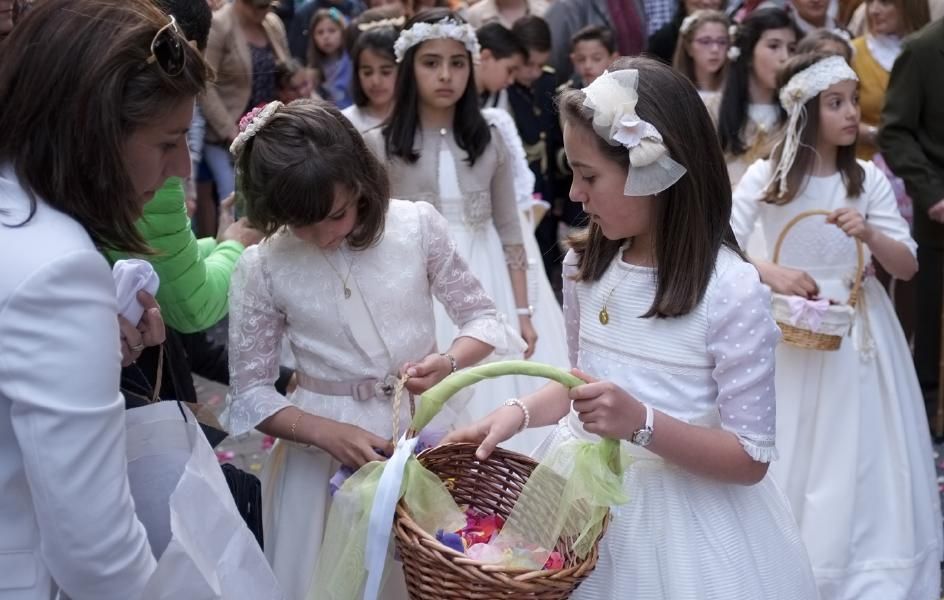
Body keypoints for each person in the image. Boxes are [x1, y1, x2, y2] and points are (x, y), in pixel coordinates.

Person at [445, 56, 819, 599]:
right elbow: (582, 386)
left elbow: (749, 458)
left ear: (655, 172)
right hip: (577, 505)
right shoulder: (584, 269)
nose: (574, 193)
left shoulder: (730, 289)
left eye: (589, 175)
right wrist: (516, 413)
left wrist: (641, 423)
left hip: (687, 524)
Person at [223, 99, 517, 599]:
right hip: (320, 465)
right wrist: (325, 433)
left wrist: (446, 362)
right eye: (302, 223)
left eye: (336, 214)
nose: (325, 235)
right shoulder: (264, 267)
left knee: (428, 574)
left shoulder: (415, 227)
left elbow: (484, 319)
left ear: (360, 179)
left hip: (426, 438)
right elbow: (250, 392)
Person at [0, 0, 209, 596]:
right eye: (168, 141)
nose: (181, 167)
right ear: (91, 131)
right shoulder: (58, 268)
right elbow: (95, 550)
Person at [732, 52, 942, 598]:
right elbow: (721, 243)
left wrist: (869, 236)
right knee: (793, 444)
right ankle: (782, 558)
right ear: (805, 110)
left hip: (857, 335)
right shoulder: (767, 175)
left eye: (853, 100)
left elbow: (908, 264)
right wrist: (772, 271)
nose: (853, 113)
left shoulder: (866, 179)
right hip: (788, 335)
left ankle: (864, 568)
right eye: (836, 103)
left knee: (862, 451)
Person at [364, 9, 553, 453]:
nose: (445, 75)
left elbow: (510, 228)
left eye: (457, 62)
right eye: (431, 63)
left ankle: (492, 478)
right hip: (412, 279)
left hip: (485, 275)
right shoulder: (379, 142)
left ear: (472, 66)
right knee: (426, 389)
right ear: (410, 68)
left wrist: (523, 312)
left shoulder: (489, 136)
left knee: (493, 383)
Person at [879, 17, 944, 421]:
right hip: (939, 217)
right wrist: (932, 193)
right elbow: (895, 132)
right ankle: (931, 419)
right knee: (933, 325)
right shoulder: (921, 50)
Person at [202, 0, 290, 206]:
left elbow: (286, 68)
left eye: (269, 6)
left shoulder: (272, 23)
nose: (266, 11)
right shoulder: (219, 24)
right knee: (235, 200)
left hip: (267, 132)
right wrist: (229, 131)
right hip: (226, 137)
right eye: (260, 6)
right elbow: (205, 84)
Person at [717, 7, 799, 187]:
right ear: (747, 53)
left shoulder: (799, 113)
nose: (785, 57)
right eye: (774, 46)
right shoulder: (712, 109)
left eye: (791, 48)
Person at [851, 0, 929, 160]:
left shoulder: (931, 51)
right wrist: (878, 135)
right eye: (869, 2)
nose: (873, 10)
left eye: (885, 2)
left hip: (926, 167)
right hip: (868, 168)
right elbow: (830, 119)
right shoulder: (853, 53)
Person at [543, 0, 647, 84]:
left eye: (596, 58)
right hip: (581, 95)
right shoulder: (566, 6)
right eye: (581, 59)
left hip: (632, 89)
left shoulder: (635, 3)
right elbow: (550, 67)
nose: (588, 64)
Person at [342, 16, 402, 131]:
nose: (375, 81)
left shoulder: (419, 118)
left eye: (385, 72)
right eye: (367, 73)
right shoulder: (346, 122)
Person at [671, 9, 730, 115]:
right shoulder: (675, 92)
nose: (715, 49)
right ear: (688, 47)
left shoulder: (735, 92)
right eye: (705, 41)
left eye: (722, 42)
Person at [648, 0, 726, 62]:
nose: (706, 2)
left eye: (722, 42)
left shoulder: (734, 36)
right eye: (705, 41)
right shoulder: (664, 39)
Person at [307, 7, 354, 107]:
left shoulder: (352, 61)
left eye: (332, 31)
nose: (326, 37)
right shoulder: (314, 69)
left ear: (343, 32)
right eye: (320, 32)